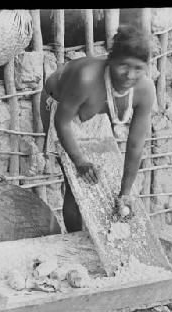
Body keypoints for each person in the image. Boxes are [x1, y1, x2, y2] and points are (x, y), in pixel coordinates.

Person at [40, 24, 155, 233]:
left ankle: (102, 236)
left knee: (106, 183)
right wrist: (80, 161)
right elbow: (62, 122)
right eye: (124, 66)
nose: (130, 75)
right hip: (60, 103)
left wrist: (126, 192)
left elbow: (136, 144)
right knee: (76, 184)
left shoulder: (145, 91)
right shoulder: (86, 78)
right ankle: (76, 240)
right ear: (110, 61)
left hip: (95, 110)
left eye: (138, 68)